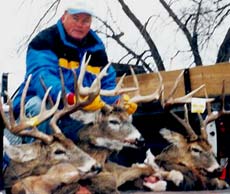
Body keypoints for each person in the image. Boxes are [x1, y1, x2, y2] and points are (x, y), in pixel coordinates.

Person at [12, 0, 137, 143]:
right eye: (75, 18)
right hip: (50, 103)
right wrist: (71, 98)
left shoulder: (97, 50)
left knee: (121, 116)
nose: (80, 24)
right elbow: (42, 77)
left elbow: (107, 84)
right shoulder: (44, 41)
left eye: (85, 20)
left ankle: (99, 161)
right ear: (64, 16)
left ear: (91, 22)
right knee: (40, 106)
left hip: (81, 108)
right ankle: (40, 160)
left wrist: (117, 101)